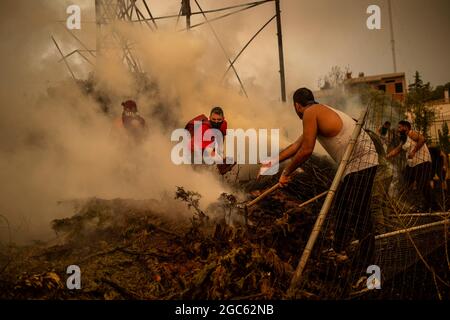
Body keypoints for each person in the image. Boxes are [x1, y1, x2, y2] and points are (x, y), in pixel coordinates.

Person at [261, 87, 379, 283]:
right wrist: (271, 161)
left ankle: (370, 275)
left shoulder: (309, 113)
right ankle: (339, 249)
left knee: (360, 219)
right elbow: (296, 146)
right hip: (357, 165)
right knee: (341, 204)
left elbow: (306, 150)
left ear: (297, 105)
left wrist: (286, 173)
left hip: (361, 164)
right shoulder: (318, 111)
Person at [386, 120, 435, 211]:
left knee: (423, 185)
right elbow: (397, 150)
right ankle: (408, 203)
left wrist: (413, 151)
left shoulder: (411, 133)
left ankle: (432, 205)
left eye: (400, 127)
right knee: (404, 182)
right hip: (412, 165)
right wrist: (386, 156)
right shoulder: (404, 139)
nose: (398, 129)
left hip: (422, 163)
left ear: (406, 127)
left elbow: (422, 139)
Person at [185, 106, 234, 174]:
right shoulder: (205, 128)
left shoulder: (224, 124)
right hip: (193, 151)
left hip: (205, 147)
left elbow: (221, 137)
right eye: (213, 119)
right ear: (209, 118)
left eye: (219, 119)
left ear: (223, 119)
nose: (216, 122)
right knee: (203, 167)